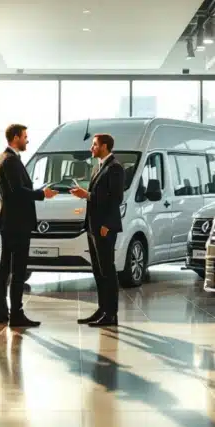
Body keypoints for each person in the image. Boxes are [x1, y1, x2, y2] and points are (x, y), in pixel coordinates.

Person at [0, 123, 57, 327]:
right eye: (24, 136)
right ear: (15, 138)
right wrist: (42, 194)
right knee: (18, 271)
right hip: (16, 224)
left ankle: (3, 314)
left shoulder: (3, 159)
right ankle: (16, 315)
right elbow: (17, 192)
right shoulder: (10, 161)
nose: (27, 140)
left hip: (9, 222)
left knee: (5, 269)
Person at [70, 133, 124, 327]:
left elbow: (116, 199)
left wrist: (107, 225)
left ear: (105, 146)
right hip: (93, 227)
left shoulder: (115, 168)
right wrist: (85, 195)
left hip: (104, 227)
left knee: (107, 270)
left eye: (94, 145)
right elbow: (97, 196)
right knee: (98, 271)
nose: (91, 148)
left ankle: (111, 314)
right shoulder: (97, 167)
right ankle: (102, 310)